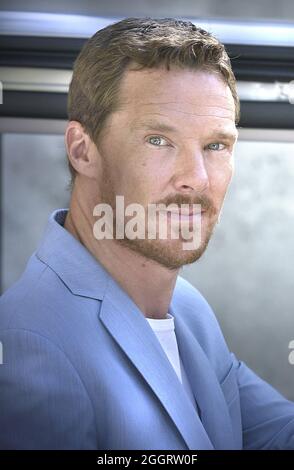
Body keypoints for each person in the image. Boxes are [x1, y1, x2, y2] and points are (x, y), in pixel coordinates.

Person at [0, 17, 293, 451]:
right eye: (159, 140)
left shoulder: (187, 308)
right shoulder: (28, 345)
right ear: (83, 151)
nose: (196, 179)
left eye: (216, 146)